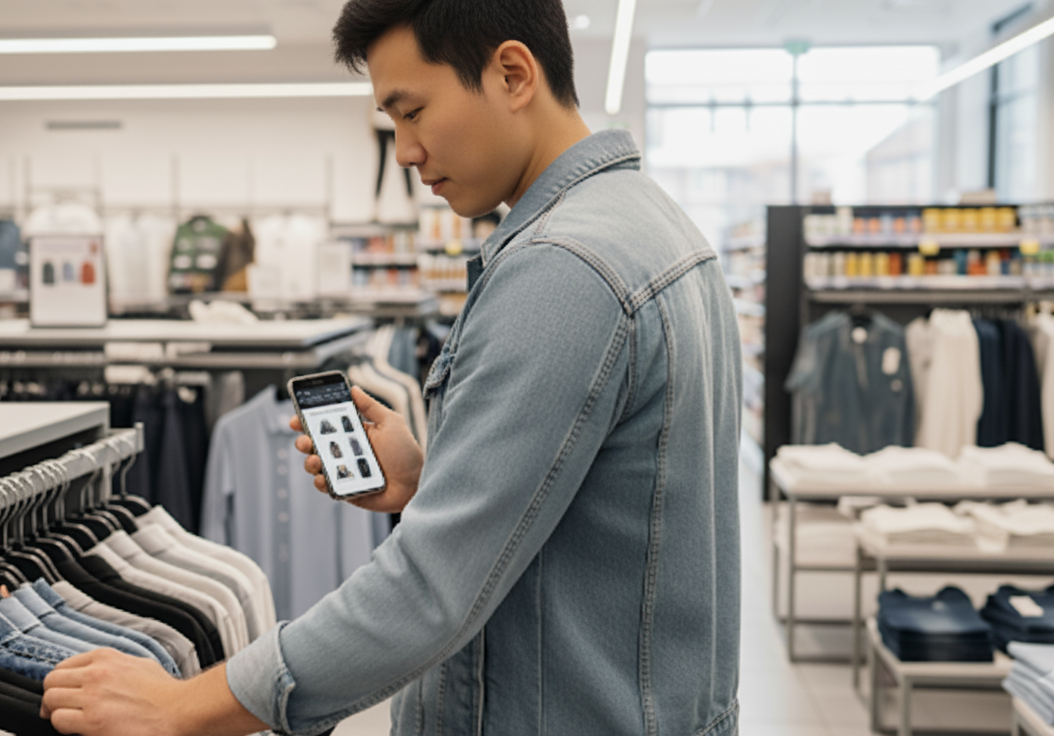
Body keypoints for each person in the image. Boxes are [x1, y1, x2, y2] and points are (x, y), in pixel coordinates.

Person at [40, 0, 742, 734]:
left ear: (511, 74)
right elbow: (615, 507)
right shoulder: (655, 226)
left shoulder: (561, 271)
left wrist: (182, 705)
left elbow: (427, 593)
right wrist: (431, 479)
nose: (403, 151)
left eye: (412, 112)